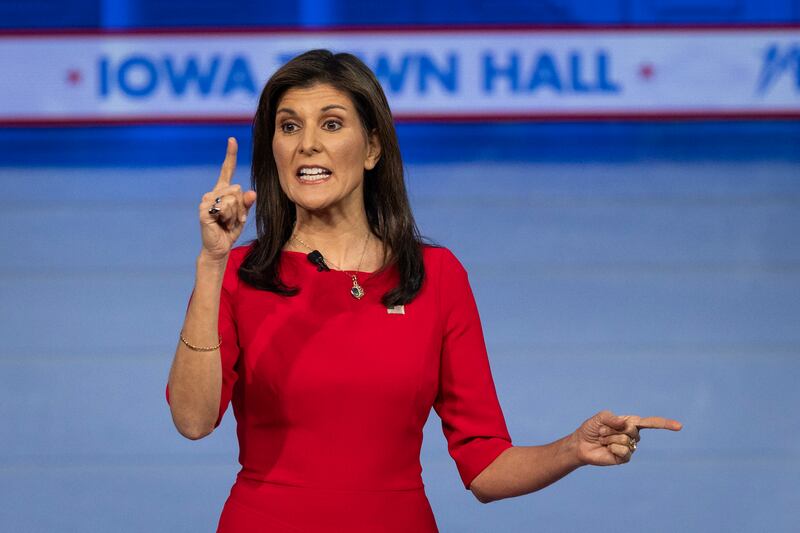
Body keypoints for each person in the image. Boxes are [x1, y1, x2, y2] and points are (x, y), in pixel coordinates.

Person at [165, 49, 682, 532]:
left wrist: (572, 448)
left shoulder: (437, 276)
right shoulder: (236, 273)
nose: (307, 144)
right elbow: (192, 420)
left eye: (331, 123)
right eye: (289, 127)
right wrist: (211, 264)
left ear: (371, 148)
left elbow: (485, 466)